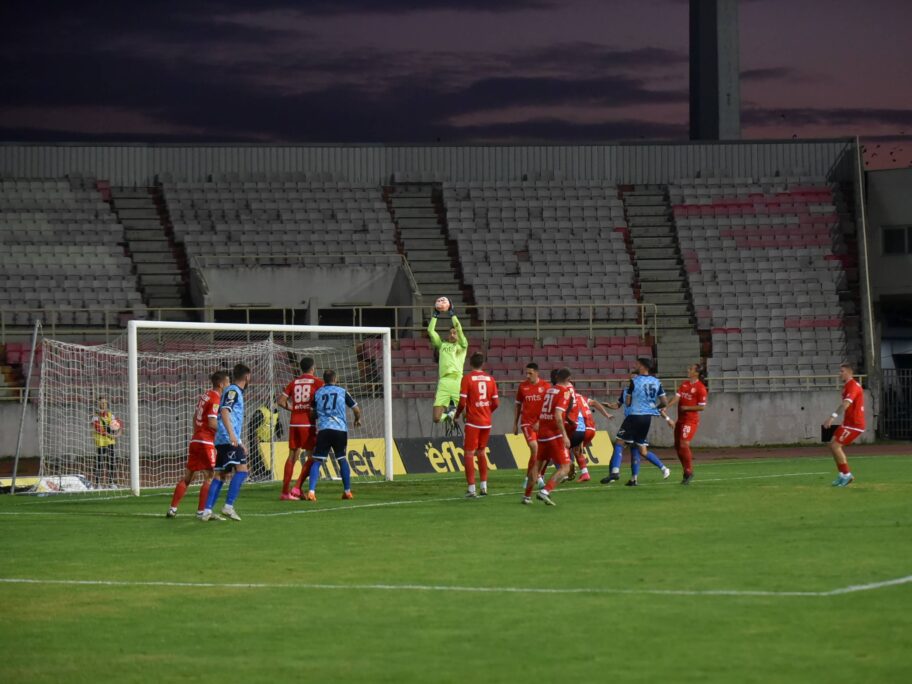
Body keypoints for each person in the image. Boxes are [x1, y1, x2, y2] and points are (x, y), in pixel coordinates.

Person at [168, 370, 230, 518]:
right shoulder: (215, 399)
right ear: (221, 384)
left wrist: (198, 431)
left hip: (195, 440)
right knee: (210, 476)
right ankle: (202, 511)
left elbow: (195, 416)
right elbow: (212, 422)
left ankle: (172, 508)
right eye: (227, 382)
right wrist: (227, 431)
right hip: (206, 441)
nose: (229, 385)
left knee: (188, 477)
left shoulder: (205, 395)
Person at [600, 358, 669, 487]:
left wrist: (630, 398)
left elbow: (628, 403)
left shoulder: (634, 382)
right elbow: (665, 402)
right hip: (647, 418)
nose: (635, 365)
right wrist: (653, 408)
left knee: (619, 443)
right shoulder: (656, 381)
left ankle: (615, 472)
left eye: (637, 364)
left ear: (643, 366)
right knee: (640, 448)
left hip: (634, 416)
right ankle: (636, 477)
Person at [200, 363, 251, 522]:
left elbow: (231, 418)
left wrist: (239, 440)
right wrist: (232, 436)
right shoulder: (234, 391)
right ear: (247, 377)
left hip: (223, 438)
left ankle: (207, 511)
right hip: (227, 438)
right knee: (242, 470)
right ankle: (228, 506)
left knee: (221, 475)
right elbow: (224, 411)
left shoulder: (232, 391)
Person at [304, 369, 362, 501]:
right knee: (342, 459)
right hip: (340, 430)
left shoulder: (318, 393)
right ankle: (347, 491)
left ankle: (312, 492)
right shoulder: (342, 391)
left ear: (324, 380)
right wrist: (357, 419)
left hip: (324, 430)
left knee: (317, 460)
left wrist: (321, 414)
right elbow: (356, 409)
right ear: (335, 379)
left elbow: (312, 414)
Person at [522, 367, 575, 506]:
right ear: (568, 380)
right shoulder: (564, 392)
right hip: (554, 434)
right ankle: (545, 492)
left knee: (537, 466)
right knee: (565, 467)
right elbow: (558, 415)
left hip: (542, 433)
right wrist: (565, 436)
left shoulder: (549, 390)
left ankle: (527, 496)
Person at [277, 357, 323, 501]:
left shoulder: (294, 382)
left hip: (294, 423)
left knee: (292, 456)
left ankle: (285, 492)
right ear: (313, 368)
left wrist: (293, 408)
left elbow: (280, 401)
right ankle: (297, 487)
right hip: (308, 423)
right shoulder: (317, 382)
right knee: (313, 456)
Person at [454, 352, 499, 498]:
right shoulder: (490, 379)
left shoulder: (467, 379)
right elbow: (496, 403)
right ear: (483, 364)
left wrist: (457, 414)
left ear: (470, 364)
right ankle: (484, 487)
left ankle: (472, 488)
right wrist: (487, 412)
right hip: (486, 422)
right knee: (481, 452)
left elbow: (462, 402)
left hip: (473, 422)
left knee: (469, 453)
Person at [663, 363, 708, 484]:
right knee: (678, 446)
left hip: (691, 420)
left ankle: (689, 471)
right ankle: (686, 471)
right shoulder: (684, 384)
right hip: (681, 420)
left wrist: (687, 408)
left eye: (691, 369)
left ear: (696, 373)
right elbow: (677, 397)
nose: (688, 370)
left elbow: (702, 407)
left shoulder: (700, 388)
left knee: (684, 444)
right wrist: (666, 406)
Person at [823, 362, 865, 487]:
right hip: (848, 423)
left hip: (855, 424)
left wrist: (832, 417)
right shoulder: (847, 386)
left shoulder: (853, 386)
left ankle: (847, 475)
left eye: (842, 371)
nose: (839, 373)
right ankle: (842, 474)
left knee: (836, 446)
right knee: (831, 445)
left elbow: (846, 404)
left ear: (849, 372)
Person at [427, 302, 468, 425]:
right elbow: (430, 330)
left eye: (454, 333)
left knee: (467, 417)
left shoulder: (462, 345)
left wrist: (452, 314)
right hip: (444, 382)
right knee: (436, 418)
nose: (452, 334)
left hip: (457, 381)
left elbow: (459, 328)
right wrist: (435, 314)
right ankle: (450, 415)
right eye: (450, 332)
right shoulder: (442, 345)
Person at [513, 362, 550, 490]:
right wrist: (515, 424)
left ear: (536, 372)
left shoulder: (546, 386)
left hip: (542, 424)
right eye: (526, 373)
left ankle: (532, 477)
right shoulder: (522, 387)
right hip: (527, 423)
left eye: (530, 373)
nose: (527, 376)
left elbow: (548, 407)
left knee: (543, 453)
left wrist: (541, 422)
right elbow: (518, 405)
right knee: (535, 448)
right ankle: (534, 478)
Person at [247, 402, 283, 481]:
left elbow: (278, 425)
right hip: (257, 441)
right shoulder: (261, 412)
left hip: (268, 443)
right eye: (274, 402)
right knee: (257, 460)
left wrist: (279, 435)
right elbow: (251, 425)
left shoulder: (276, 413)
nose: (275, 405)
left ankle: (267, 476)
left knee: (268, 462)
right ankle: (256, 476)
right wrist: (254, 437)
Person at [91, 397, 122, 488]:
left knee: (111, 461)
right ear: (98, 404)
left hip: (110, 441)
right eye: (101, 403)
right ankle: (97, 483)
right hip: (101, 442)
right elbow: (98, 429)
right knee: (99, 462)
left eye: (105, 403)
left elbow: (118, 424)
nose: (103, 404)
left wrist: (119, 432)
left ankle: (111, 482)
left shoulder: (110, 415)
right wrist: (111, 435)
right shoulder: (95, 416)